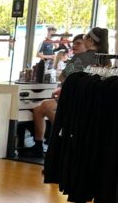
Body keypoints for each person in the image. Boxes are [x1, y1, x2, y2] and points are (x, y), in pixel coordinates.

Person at [23, 28, 107, 157]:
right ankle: (40, 143)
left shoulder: (79, 58)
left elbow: (64, 77)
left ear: (90, 40)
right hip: (92, 103)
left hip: (73, 100)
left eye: (81, 41)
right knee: (39, 109)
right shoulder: (106, 60)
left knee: (44, 106)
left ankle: (59, 137)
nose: (75, 45)